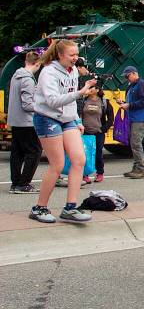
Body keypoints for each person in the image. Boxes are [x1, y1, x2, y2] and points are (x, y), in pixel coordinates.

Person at [28, 39, 97, 224]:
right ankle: (39, 208)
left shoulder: (73, 71)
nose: (76, 58)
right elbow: (52, 101)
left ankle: (70, 208)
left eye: (77, 54)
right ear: (60, 55)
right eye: (71, 55)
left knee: (79, 160)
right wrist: (80, 93)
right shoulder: (48, 72)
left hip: (67, 119)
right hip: (46, 118)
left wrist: (77, 119)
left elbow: (71, 101)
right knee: (57, 165)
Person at [9, 51, 42, 194]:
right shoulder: (28, 79)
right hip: (27, 122)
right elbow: (27, 105)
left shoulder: (16, 76)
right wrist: (42, 108)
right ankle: (24, 184)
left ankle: (15, 183)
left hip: (15, 120)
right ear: (38, 63)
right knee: (34, 152)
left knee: (17, 153)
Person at [120, 66, 144, 178]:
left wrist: (129, 105)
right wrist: (124, 102)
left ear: (134, 73)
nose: (126, 78)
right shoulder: (133, 86)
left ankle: (141, 169)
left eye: (127, 76)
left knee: (136, 143)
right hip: (134, 117)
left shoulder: (142, 85)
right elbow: (135, 101)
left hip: (140, 117)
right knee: (134, 143)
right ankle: (136, 167)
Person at [80, 85, 112, 184]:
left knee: (98, 152)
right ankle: (84, 175)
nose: (88, 90)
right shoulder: (83, 101)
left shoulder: (104, 102)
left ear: (97, 90)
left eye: (91, 88)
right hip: (85, 132)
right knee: (85, 154)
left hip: (98, 132)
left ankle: (100, 173)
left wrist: (102, 129)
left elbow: (111, 119)